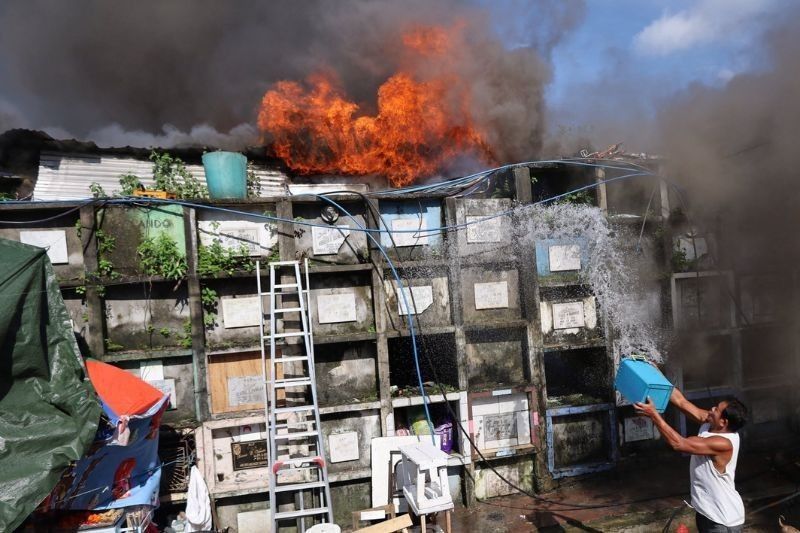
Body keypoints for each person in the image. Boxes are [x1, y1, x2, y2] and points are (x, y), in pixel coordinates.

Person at [634, 388, 748, 533]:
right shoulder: (712, 424)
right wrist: (656, 374)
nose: (711, 409)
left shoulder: (723, 443)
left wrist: (654, 415)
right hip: (708, 513)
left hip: (721, 520)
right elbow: (681, 402)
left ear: (723, 422)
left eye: (716, 409)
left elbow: (679, 444)